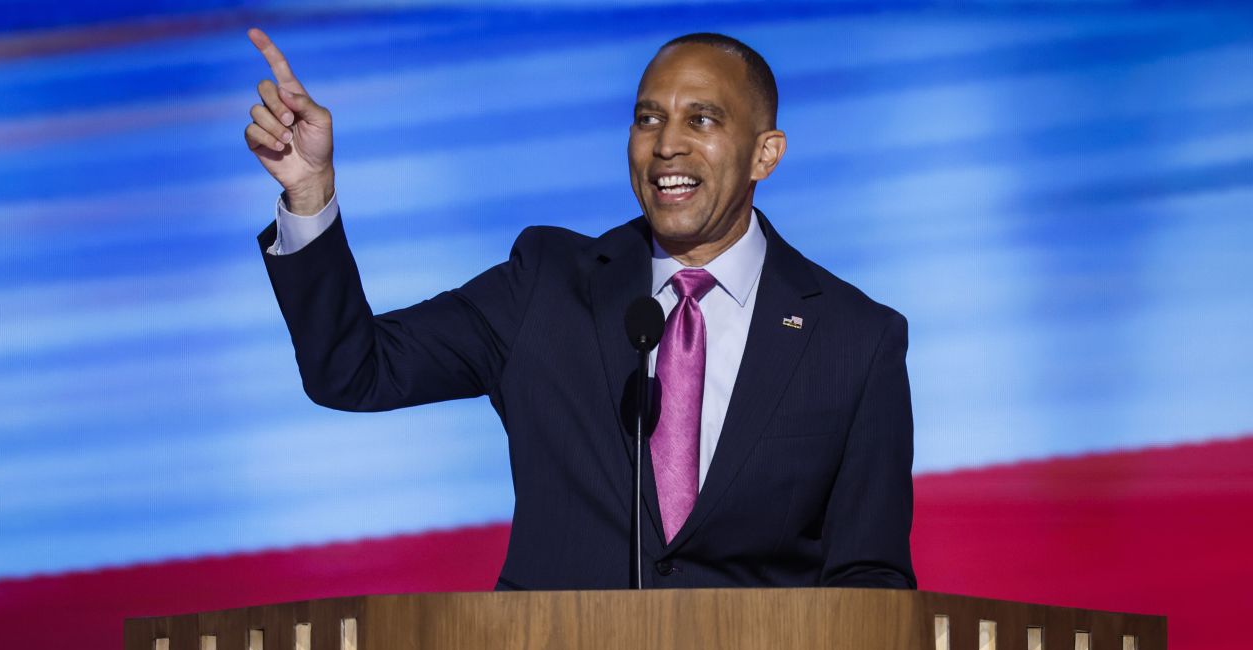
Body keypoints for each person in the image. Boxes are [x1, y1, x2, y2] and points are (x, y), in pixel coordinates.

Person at [245, 28, 916, 590]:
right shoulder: (546, 286)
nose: (667, 145)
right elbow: (352, 370)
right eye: (648, 118)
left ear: (764, 154)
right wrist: (310, 194)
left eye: (701, 120)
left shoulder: (853, 339)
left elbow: (870, 582)